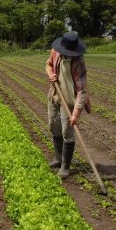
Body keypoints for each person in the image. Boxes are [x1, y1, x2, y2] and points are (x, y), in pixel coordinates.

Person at [46, 31, 91, 179]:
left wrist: (76, 114)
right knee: (54, 126)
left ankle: (65, 166)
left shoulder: (78, 63)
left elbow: (82, 91)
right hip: (55, 95)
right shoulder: (56, 52)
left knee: (68, 131)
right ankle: (58, 159)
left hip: (70, 101)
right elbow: (48, 64)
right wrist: (50, 74)